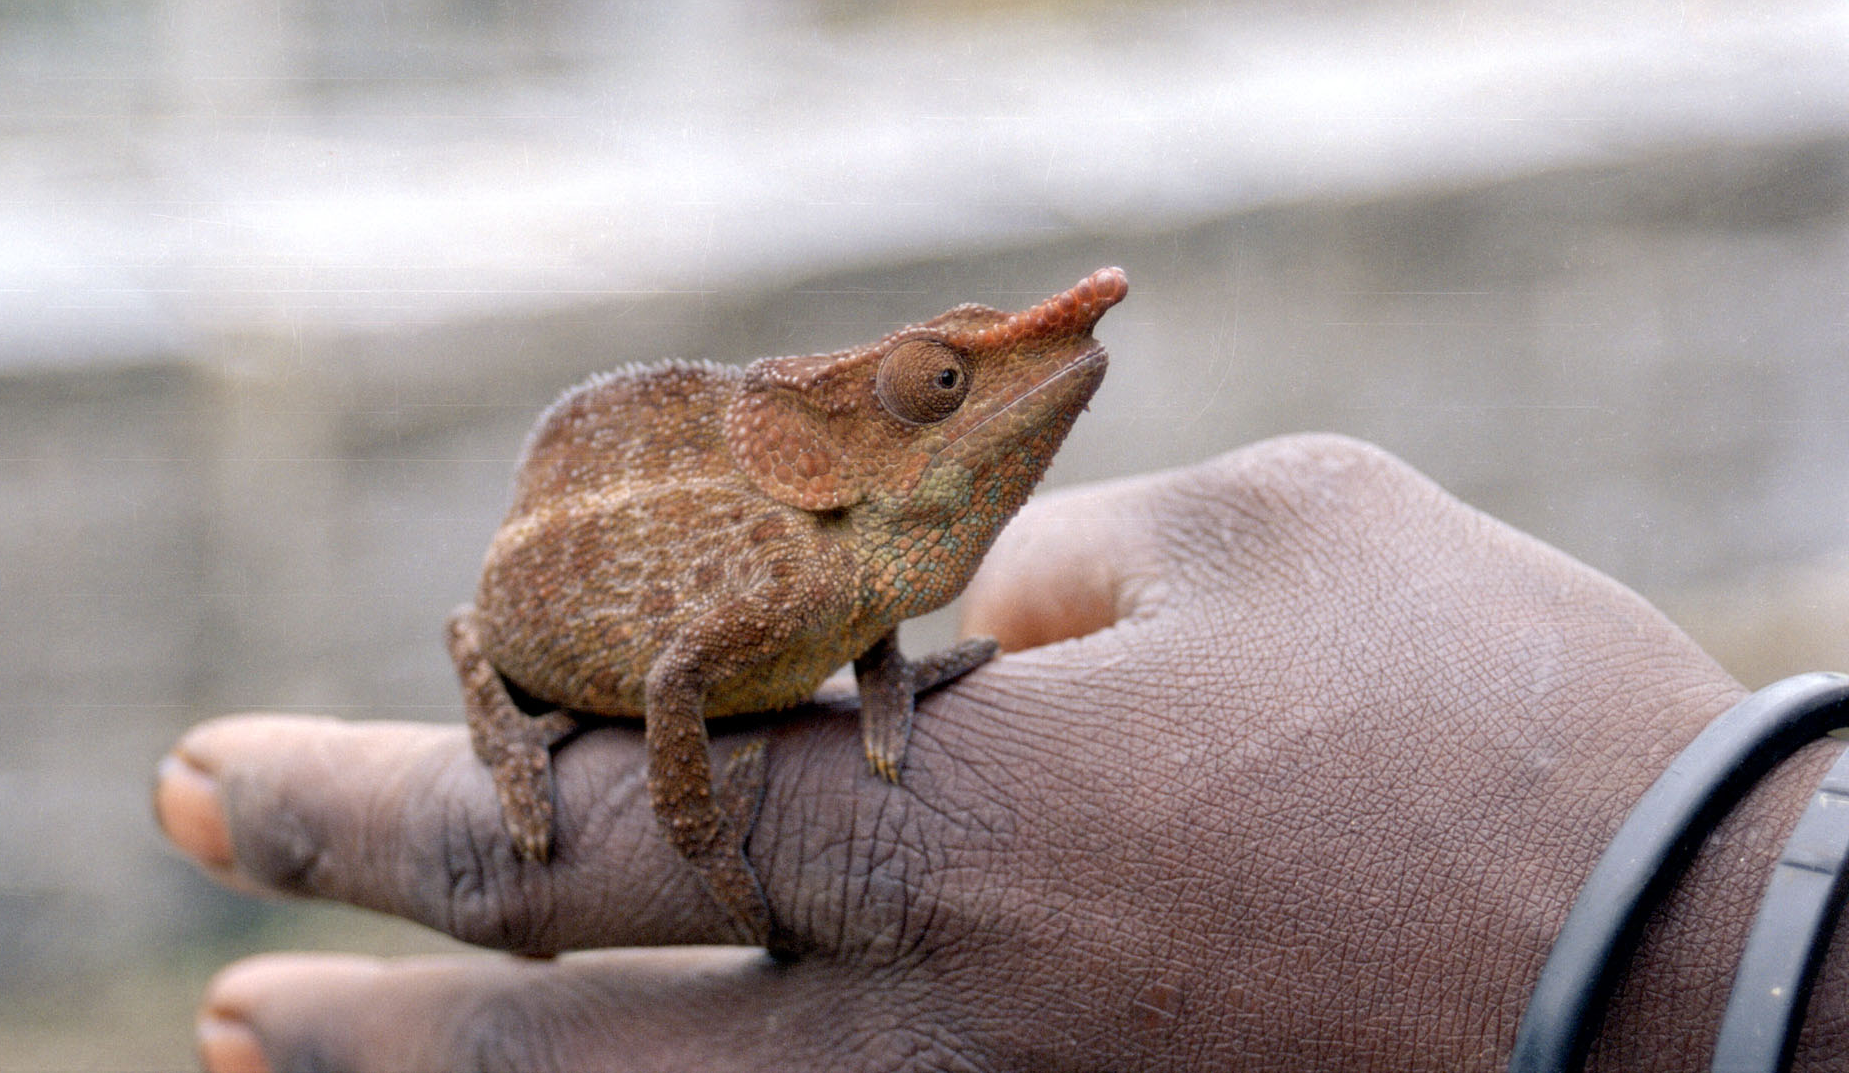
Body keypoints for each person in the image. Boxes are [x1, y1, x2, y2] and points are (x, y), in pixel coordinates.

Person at [155, 435, 1849, 1072]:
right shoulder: (792, 538)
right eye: (937, 386)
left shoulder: (867, 568)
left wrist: (1691, 963)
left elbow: (856, 617)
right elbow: (684, 670)